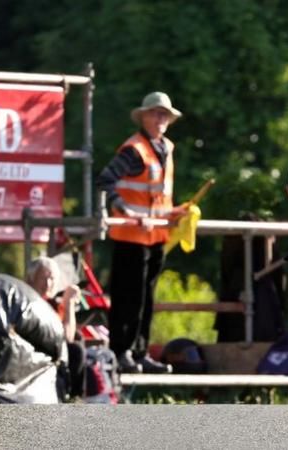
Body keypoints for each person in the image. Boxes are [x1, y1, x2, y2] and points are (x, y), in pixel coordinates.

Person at [96, 91, 187, 373]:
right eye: (156, 113)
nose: (161, 119)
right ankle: (121, 352)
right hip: (130, 237)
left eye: (165, 115)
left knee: (146, 300)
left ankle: (139, 352)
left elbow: (157, 197)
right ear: (144, 117)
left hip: (155, 236)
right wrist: (128, 211)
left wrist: (174, 213)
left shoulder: (165, 148)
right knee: (128, 297)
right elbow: (105, 181)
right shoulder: (133, 149)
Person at [26, 256, 85, 398]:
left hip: (52, 353)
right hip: (33, 353)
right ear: (30, 279)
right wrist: (68, 303)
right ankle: (72, 396)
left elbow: (69, 337)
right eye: (42, 278)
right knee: (75, 349)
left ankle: (74, 395)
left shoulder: (52, 304)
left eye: (51, 278)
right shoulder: (28, 301)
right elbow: (65, 338)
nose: (47, 284)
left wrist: (67, 304)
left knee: (78, 340)